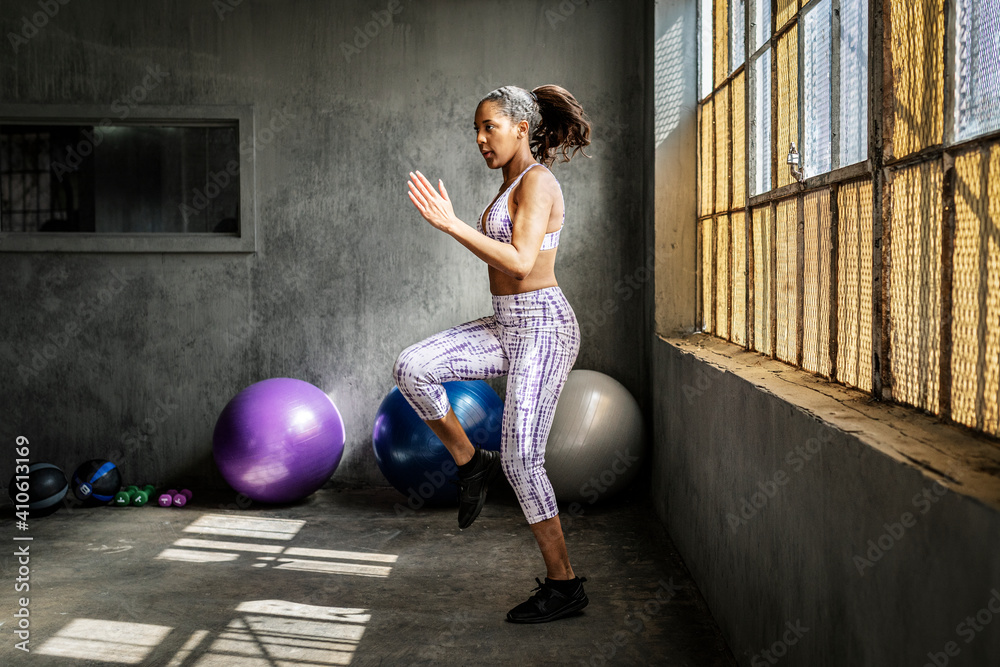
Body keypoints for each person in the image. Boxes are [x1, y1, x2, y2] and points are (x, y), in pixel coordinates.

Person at [395, 84, 592, 624]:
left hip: (545, 328)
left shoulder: (539, 181)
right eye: (476, 130)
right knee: (412, 367)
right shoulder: (510, 182)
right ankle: (469, 461)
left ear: (522, 127)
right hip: (506, 325)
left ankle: (565, 584)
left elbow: (523, 263)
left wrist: (451, 223)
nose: (481, 139)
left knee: (524, 459)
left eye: (491, 127)